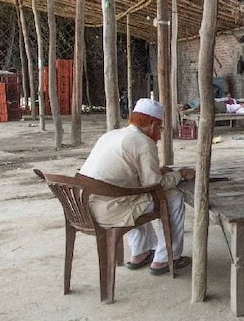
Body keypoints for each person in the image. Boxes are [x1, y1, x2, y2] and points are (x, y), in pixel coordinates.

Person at [79, 98, 195, 276]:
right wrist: (179, 175)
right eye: (160, 128)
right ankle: (165, 258)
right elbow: (154, 185)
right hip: (109, 209)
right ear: (153, 125)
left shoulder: (112, 134)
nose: (159, 133)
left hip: (85, 207)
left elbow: (127, 175)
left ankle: (141, 252)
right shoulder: (143, 142)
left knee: (136, 197)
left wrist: (157, 171)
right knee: (172, 196)